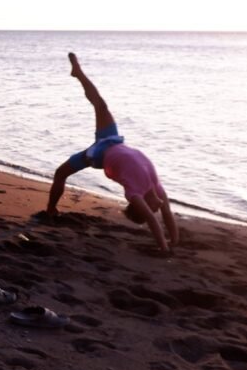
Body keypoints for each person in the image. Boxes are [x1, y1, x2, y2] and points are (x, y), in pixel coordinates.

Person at [46, 53, 179, 253]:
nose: (157, 208)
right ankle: (78, 73)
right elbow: (165, 213)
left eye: (153, 209)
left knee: (60, 173)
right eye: (154, 208)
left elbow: (152, 220)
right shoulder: (156, 188)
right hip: (112, 140)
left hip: (99, 155)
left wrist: (164, 248)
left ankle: (50, 209)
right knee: (101, 105)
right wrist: (173, 241)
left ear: (142, 205)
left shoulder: (134, 193)